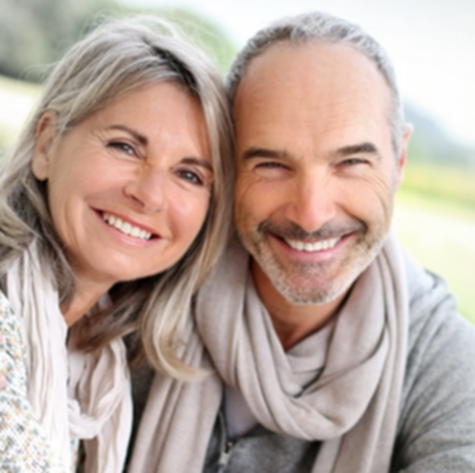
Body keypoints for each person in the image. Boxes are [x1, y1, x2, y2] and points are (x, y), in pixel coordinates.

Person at [126, 11, 475, 473]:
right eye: (271, 164)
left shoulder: (445, 363)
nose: (311, 214)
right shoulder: (142, 285)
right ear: (229, 164)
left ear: (400, 160)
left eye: (350, 162)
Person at [0, 16, 233, 472]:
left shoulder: (99, 369)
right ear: (47, 143)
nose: (148, 195)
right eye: (125, 147)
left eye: (189, 175)